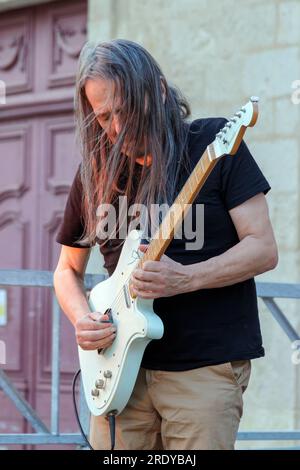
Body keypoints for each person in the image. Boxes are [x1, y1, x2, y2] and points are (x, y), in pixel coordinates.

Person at [53, 39, 278, 450]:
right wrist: (81, 318)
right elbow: (67, 270)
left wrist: (187, 278)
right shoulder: (96, 170)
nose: (116, 129)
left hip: (203, 370)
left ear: (156, 90)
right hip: (119, 374)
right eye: (103, 118)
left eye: (124, 110)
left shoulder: (213, 145)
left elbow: (263, 248)